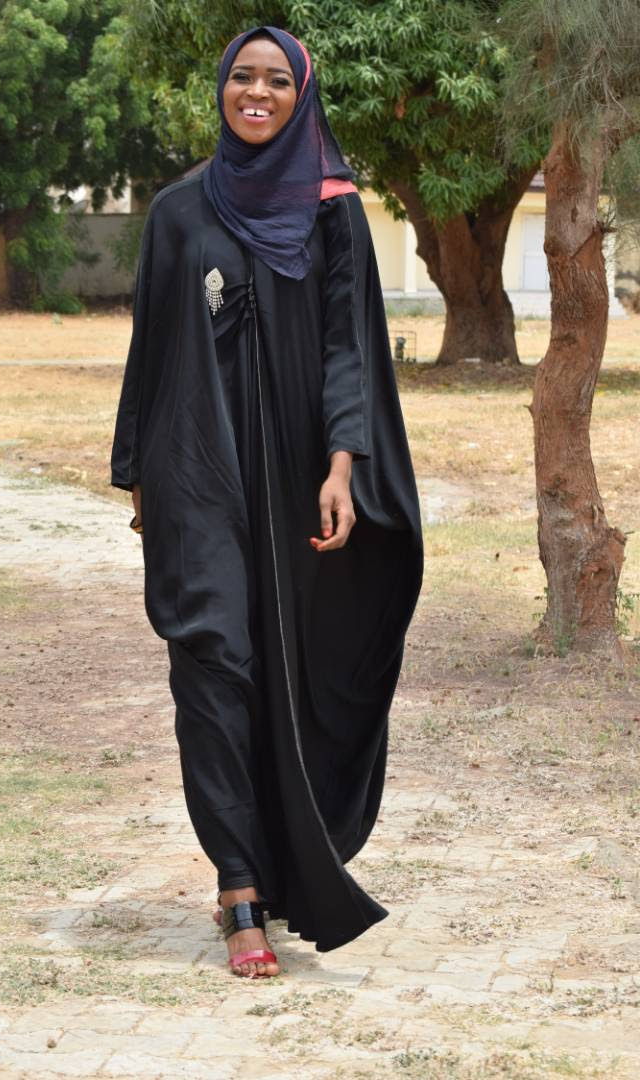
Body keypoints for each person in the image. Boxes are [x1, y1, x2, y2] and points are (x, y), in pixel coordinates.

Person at [111, 25, 423, 979]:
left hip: (297, 474)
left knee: (293, 664)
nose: (257, 92)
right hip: (195, 469)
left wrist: (343, 465)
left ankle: (290, 849)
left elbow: (347, 346)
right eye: (242, 77)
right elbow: (151, 347)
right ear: (221, 89)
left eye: (277, 80)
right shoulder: (177, 212)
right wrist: (137, 474)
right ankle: (238, 885)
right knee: (210, 659)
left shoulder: (335, 211)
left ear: (301, 96)